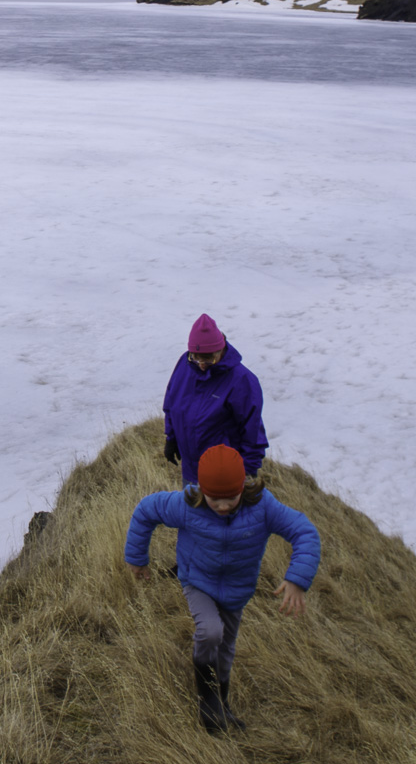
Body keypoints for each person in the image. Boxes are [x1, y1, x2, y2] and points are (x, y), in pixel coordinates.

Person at [125, 444, 319, 733]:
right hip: (197, 581)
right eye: (215, 498)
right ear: (202, 490)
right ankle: (206, 698)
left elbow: (304, 531)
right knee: (210, 631)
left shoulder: (262, 505)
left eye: (231, 497)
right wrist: (137, 558)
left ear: (243, 487)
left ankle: (221, 704)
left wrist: (297, 579)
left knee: (226, 650)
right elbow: (145, 512)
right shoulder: (188, 504)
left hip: (237, 591)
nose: (224, 505)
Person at [163, 313, 267, 487]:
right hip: (190, 472)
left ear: (222, 348)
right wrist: (171, 438)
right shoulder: (185, 363)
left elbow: (253, 433)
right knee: (191, 515)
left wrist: (245, 473)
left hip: (224, 477)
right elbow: (171, 403)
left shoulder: (242, 381)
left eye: (209, 358)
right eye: (196, 357)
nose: (201, 363)